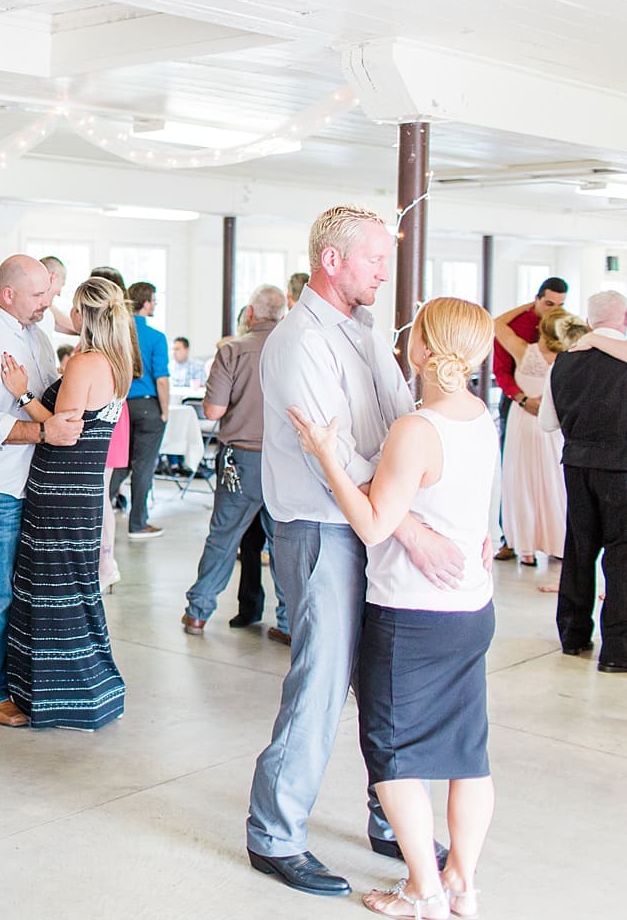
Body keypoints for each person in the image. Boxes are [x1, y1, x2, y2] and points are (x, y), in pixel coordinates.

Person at [246, 206, 470, 898]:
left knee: (383, 683)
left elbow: (404, 425)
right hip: (322, 531)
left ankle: (385, 814)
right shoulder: (297, 342)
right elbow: (333, 461)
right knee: (319, 685)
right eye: (374, 258)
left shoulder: (368, 331)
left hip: (375, 526)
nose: (384, 270)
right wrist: (413, 530)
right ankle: (273, 834)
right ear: (332, 261)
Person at [288, 297, 498, 920]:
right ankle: (461, 883)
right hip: (471, 609)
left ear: (422, 350)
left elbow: (376, 525)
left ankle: (422, 891)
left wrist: (326, 452)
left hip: (412, 614)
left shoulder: (416, 430)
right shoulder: (480, 417)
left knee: (395, 754)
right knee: (467, 753)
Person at [0, 255, 82, 728]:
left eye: (49, 294)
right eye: (38, 295)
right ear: (8, 294)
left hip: (30, 479)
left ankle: (20, 680)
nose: (48, 303)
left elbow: (42, 398)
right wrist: (45, 434)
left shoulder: (37, 337)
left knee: (22, 590)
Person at [0, 277, 132, 729]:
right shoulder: (118, 361)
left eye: (72, 308)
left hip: (59, 489)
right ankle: (83, 688)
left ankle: (58, 697)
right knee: (75, 588)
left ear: (84, 315)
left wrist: (21, 393)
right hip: (85, 491)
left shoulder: (85, 363)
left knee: (52, 589)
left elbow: (63, 429)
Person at [181, 285, 290, 642]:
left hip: (240, 461)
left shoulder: (233, 350)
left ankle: (198, 612)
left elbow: (212, 410)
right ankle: (288, 622)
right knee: (284, 544)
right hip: (288, 461)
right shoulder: (297, 348)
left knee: (223, 538)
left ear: (251, 313)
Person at [540, 290, 627, 672]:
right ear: (624, 320)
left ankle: (573, 636)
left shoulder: (564, 363)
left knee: (578, 550)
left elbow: (547, 423)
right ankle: (617, 651)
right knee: (622, 557)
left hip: (576, 465)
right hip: (623, 467)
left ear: (590, 322)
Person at [494, 303, 584, 578]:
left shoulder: (524, 351)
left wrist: (531, 305)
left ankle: (525, 547)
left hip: (525, 422)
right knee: (554, 483)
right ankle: (557, 543)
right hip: (552, 425)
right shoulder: (569, 357)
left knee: (521, 483)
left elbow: (497, 323)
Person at [111, 281, 168, 539]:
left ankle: (97, 511)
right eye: (154, 300)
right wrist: (165, 411)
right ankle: (138, 523)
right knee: (144, 466)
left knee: (120, 463)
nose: (155, 304)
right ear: (146, 303)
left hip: (120, 405)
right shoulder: (156, 337)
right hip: (147, 406)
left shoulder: (117, 332)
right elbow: (162, 378)